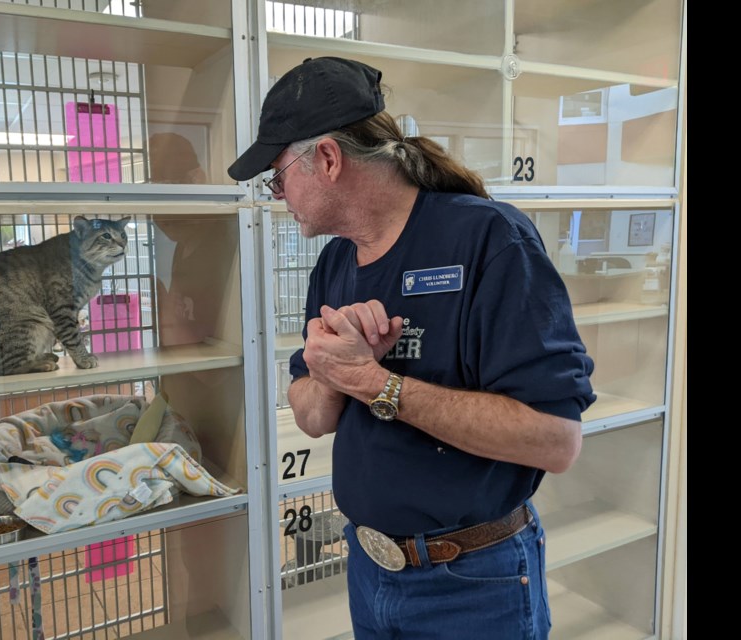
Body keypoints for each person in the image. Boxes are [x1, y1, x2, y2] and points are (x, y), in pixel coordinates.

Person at [228, 57, 596, 639]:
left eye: (278, 176)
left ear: (326, 159)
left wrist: (377, 383)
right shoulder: (336, 261)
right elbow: (313, 418)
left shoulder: (490, 240)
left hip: (475, 585)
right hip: (370, 572)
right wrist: (332, 373)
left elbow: (555, 439)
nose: (277, 194)